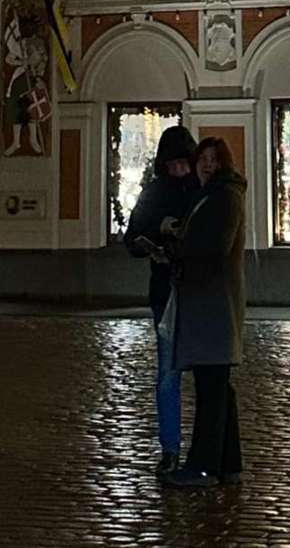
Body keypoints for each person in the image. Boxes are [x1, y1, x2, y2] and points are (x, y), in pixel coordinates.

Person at [163, 136, 248, 492]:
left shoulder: (224, 197)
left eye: (213, 159)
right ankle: (229, 463)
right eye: (203, 159)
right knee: (218, 387)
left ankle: (203, 467)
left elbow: (214, 246)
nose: (206, 165)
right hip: (209, 303)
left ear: (223, 163)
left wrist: (177, 246)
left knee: (210, 389)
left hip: (213, 304)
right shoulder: (212, 195)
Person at [124, 124, 201, 471]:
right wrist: (155, 235)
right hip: (166, 292)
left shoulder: (202, 190)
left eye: (184, 164)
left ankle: (204, 450)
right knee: (168, 373)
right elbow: (132, 237)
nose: (179, 170)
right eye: (173, 165)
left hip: (201, 293)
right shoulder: (155, 192)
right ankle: (170, 449)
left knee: (206, 377)